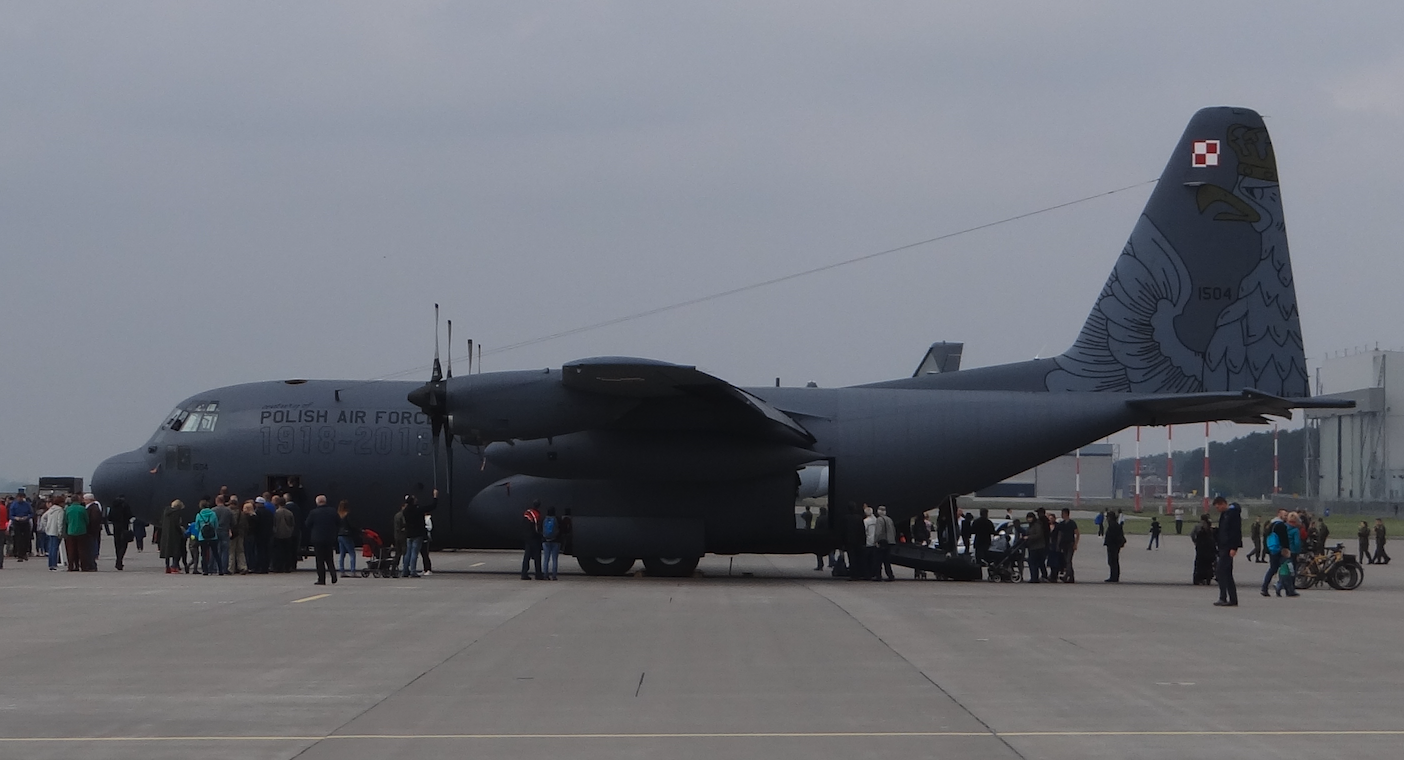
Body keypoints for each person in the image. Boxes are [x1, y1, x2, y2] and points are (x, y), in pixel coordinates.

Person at [1213, 497, 1242, 607]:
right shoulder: (1224, 514)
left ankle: (1223, 597)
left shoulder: (1233, 514)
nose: (1217, 509)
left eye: (1218, 507)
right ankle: (1233, 599)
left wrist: (1234, 547)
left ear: (1223, 504)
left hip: (1228, 547)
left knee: (1220, 571)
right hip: (1223, 546)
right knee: (1227, 573)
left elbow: (1236, 531)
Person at [401, 491, 437, 578]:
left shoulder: (405, 511)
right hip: (417, 534)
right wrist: (435, 497)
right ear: (413, 501)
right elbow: (432, 506)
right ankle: (413, 571)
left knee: (407, 553)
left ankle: (405, 571)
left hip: (409, 533)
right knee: (414, 553)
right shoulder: (418, 509)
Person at [305, 495, 339, 585]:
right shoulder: (333, 511)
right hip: (329, 538)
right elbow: (339, 522)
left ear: (317, 502)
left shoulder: (313, 512)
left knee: (319, 560)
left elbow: (307, 524)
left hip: (317, 538)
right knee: (329, 558)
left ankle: (321, 579)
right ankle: (333, 575)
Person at [1261, 508, 1290, 596]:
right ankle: (1284, 588)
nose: (1286, 517)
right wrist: (1286, 549)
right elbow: (1284, 539)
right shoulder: (1281, 525)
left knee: (1273, 569)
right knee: (1285, 569)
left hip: (1272, 549)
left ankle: (1265, 587)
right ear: (1279, 514)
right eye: (1284, 515)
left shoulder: (1271, 524)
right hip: (1279, 550)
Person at [63, 495, 89, 572]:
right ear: (78, 500)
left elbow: (66, 520)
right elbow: (87, 520)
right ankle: (83, 566)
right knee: (82, 550)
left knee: (71, 550)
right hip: (82, 531)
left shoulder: (68, 509)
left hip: (70, 531)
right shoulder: (82, 509)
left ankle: (71, 566)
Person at [158, 500, 184, 574]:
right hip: (174, 534)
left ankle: (167, 567)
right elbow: (177, 524)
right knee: (176, 551)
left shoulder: (165, 512)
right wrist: (181, 532)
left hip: (165, 534)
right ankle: (174, 567)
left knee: (167, 551)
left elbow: (161, 522)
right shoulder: (177, 513)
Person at [108, 495, 134, 571]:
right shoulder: (125, 505)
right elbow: (130, 515)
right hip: (124, 526)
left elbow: (109, 517)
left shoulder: (113, 506)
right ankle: (119, 561)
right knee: (124, 545)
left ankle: (118, 559)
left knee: (117, 544)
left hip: (115, 527)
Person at [271, 497, 297, 573]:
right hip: (288, 534)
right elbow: (292, 524)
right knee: (287, 551)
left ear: (278, 504)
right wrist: (290, 530)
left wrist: (274, 531)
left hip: (278, 534)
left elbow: (274, 523)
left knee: (278, 552)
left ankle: (279, 567)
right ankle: (288, 567)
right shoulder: (289, 513)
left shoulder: (276, 513)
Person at [193, 500, 219, 575]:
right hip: (213, 536)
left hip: (203, 537)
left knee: (204, 554)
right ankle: (220, 570)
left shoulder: (199, 515)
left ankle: (205, 570)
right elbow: (216, 525)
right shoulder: (213, 514)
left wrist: (202, 531)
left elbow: (196, 527)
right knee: (215, 553)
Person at [1054, 507, 1079, 582]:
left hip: (1070, 544)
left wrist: (1075, 544)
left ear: (1066, 514)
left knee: (1068, 560)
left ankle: (1067, 576)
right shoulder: (1061, 524)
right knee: (1067, 561)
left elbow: (1077, 533)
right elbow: (1057, 532)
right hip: (1063, 544)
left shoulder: (1072, 523)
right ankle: (1071, 577)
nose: (1061, 515)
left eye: (1062, 513)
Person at [520, 503, 544, 580]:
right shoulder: (535, 514)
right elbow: (537, 528)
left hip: (527, 538)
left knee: (527, 556)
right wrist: (540, 535)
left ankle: (524, 573)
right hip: (534, 538)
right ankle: (538, 574)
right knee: (537, 557)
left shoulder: (527, 513)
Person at [42, 497, 66, 571]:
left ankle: (51, 564)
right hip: (56, 531)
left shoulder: (51, 509)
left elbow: (43, 518)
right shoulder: (60, 510)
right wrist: (60, 531)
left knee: (51, 548)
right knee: (55, 548)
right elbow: (60, 521)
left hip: (50, 531)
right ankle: (54, 564)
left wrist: (46, 527)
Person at [1191, 514, 1216, 585]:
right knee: (1208, 564)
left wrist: (1195, 542)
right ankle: (1207, 577)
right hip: (1209, 547)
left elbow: (1192, 535)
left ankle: (1198, 578)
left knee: (1199, 563)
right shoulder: (1210, 527)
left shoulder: (1197, 526)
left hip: (1200, 547)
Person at [9, 490, 34, 561]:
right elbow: (10, 515)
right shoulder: (14, 505)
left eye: (21, 497)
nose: (20, 499)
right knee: (18, 539)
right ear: (17, 497)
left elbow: (31, 513)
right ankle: (19, 554)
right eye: (19, 497)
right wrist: (15, 518)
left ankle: (24, 553)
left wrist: (27, 517)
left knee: (26, 538)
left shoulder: (27, 504)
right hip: (17, 523)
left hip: (25, 522)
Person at [82, 494, 105, 571]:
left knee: (91, 549)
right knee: (90, 548)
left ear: (89, 500)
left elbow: (94, 521)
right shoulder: (92, 508)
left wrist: (89, 529)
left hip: (91, 532)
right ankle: (90, 564)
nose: (84, 501)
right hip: (91, 531)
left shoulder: (93, 508)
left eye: (85, 499)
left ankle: (92, 565)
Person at [874, 506, 897, 581]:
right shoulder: (889, 519)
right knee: (887, 560)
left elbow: (878, 531)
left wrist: (876, 540)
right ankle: (890, 575)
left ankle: (878, 576)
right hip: (889, 541)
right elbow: (893, 530)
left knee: (878, 560)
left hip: (882, 541)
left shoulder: (879, 519)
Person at [212, 496, 233, 575]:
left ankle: (216, 568)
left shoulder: (213, 510)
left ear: (217, 501)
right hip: (225, 531)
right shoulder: (228, 510)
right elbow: (232, 522)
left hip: (215, 531)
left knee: (216, 550)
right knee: (225, 551)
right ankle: (224, 568)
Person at [1024, 512, 1048, 583]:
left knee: (1033, 562)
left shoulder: (1037, 525)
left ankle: (1034, 578)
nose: (1029, 519)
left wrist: (1029, 537)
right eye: (1028, 518)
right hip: (1032, 547)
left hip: (1038, 547)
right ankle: (1034, 577)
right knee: (1033, 563)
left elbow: (1039, 535)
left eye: (1030, 517)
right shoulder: (1030, 525)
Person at [541, 506, 563, 580]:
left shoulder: (544, 519)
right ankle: (554, 576)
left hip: (545, 541)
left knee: (546, 559)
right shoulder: (557, 519)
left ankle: (545, 575)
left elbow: (540, 529)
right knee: (554, 559)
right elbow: (561, 529)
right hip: (556, 541)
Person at [1103, 510, 1125, 582]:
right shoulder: (1114, 524)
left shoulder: (1113, 525)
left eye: (1107, 517)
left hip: (1113, 545)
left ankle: (1114, 577)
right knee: (1113, 561)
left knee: (1113, 561)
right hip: (1113, 545)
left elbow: (1113, 536)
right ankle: (1114, 576)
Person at [336, 501, 357, 576]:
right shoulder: (347, 515)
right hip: (347, 535)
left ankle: (342, 571)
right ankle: (353, 571)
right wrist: (359, 530)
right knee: (352, 553)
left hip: (339, 535)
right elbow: (351, 525)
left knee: (342, 554)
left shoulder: (338, 515)